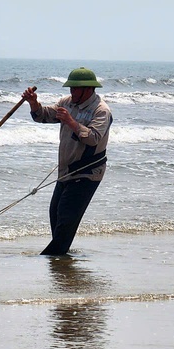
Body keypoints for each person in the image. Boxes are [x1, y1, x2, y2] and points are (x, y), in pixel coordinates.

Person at [23, 67, 112, 256]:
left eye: (75, 89)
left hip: (87, 171)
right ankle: (61, 256)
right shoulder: (68, 102)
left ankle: (52, 258)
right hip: (66, 170)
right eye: (70, 88)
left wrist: (72, 122)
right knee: (55, 214)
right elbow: (44, 116)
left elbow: (94, 138)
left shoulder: (101, 111)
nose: (71, 93)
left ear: (88, 89)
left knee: (66, 216)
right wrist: (34, 104)